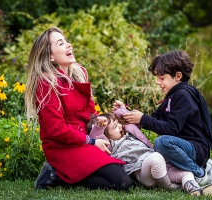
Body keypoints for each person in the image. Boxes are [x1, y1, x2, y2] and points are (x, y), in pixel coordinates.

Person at [25, 27, 132, 191]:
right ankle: (55, 174)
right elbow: (56, 129)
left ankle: (60, 174)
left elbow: (90, 114)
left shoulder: (80, 72)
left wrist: (109, 120)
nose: (68, 45)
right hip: (62, 147)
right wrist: (92, 141)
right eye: (61, 43)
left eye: (66, 41)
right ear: (50, 56)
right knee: (122, 183)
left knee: (124, 176)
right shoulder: (46, 82)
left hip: (84, 141)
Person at [112, 50, 212, 186]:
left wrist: (143, 118)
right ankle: (205, 168)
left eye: (162, 78)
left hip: (195, 148)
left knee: (162, 143)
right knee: (161, 145)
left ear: (178, 76)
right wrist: (124, 113)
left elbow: (171, 129)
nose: (157, 82)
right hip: (182, 148)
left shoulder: (183, 96)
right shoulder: (172, 96)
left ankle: (200, 173)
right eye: (157, 78)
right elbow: (153, 120)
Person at [86, 107, 212, 196]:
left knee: (184, 172)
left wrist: (121, 110)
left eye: (117, 123)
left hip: (159, 165)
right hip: (142, 172)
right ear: (106, 135)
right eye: (115, 127)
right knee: (156, 158)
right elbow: (95, 137)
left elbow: (132, 121)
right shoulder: (109, 144)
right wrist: (99, 126)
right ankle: (170, 187)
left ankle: (193, 188)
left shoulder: (129, 132)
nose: (120, 126)